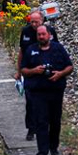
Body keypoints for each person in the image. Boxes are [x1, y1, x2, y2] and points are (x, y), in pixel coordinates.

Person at [20, 25, 73, 155]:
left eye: (43, 34)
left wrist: (60, 74)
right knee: (41, 122)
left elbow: (69, 67)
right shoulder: (31, 50)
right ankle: (42, 153)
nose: (41, 37)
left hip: (55, 91)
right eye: (39, 34)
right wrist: (35, 71)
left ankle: (53, 147)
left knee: (55, 121)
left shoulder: (58, 48)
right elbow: (24, 70)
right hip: (38, 93)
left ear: (49, 35)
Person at [15, 11, 59, 142]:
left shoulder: (50, 32)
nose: (34, 24)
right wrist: (19, 71)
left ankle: (48, 129)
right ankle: (31, 128)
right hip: (30, 71)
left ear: (42, 20)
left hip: (47, 71)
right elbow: (21, 52)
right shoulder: (26, 32)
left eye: (36, 22)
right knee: (30, 102)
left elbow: (56, 50)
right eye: (31, 22)